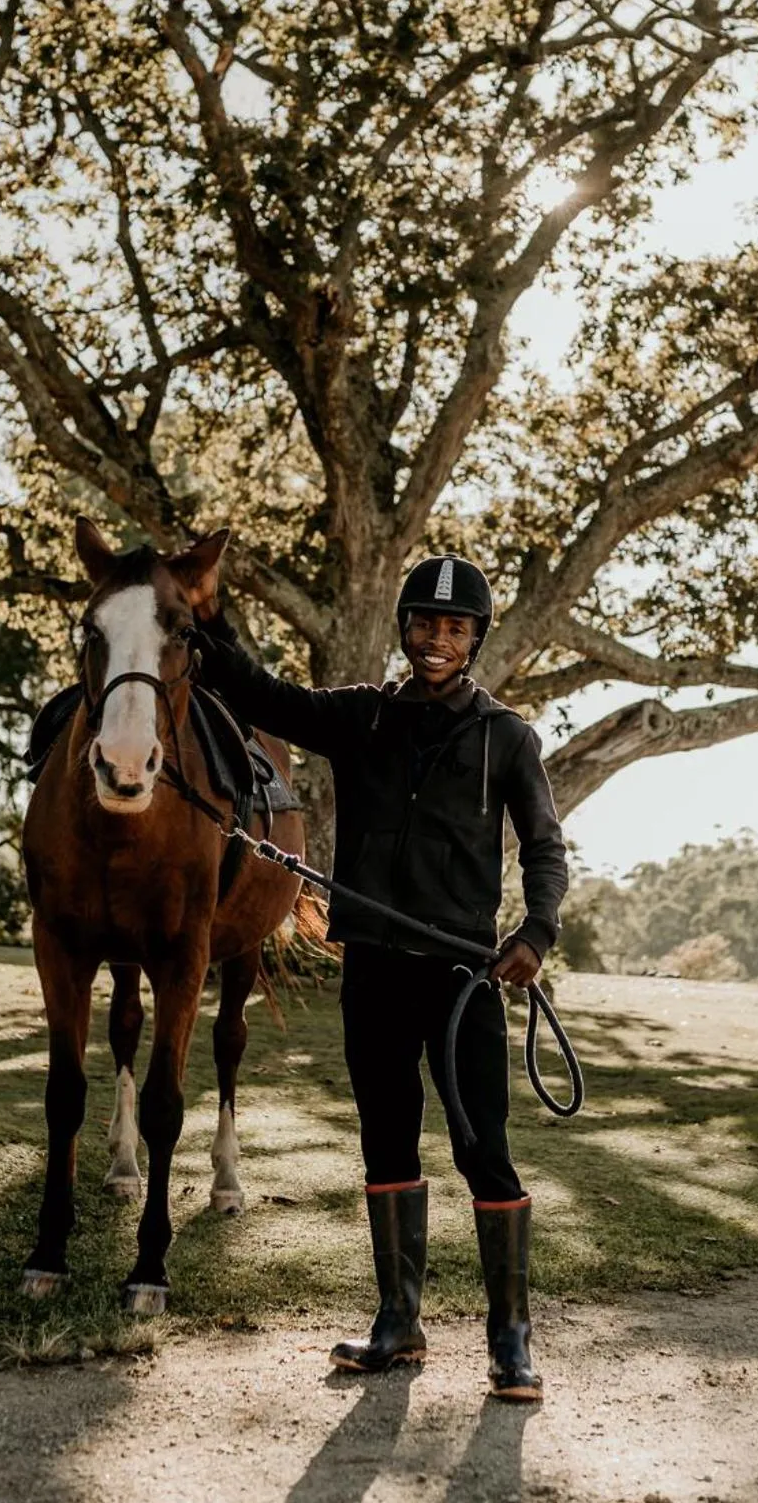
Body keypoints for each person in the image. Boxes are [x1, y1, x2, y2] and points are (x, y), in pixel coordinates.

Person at [195, 553, 568, 1401]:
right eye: (425, 624)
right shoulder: (360, 717)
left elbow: (544, 846)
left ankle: (510, 1340)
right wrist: (210, 622)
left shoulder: (506, 738)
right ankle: (398, 1323)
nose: (437, 640)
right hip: (371, 972)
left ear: (475, 639)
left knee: (484, 1154)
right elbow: (261, 697)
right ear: (404, 628)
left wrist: (536, 932)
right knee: (385, 1142)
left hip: (460, 979)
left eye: (454, 628)